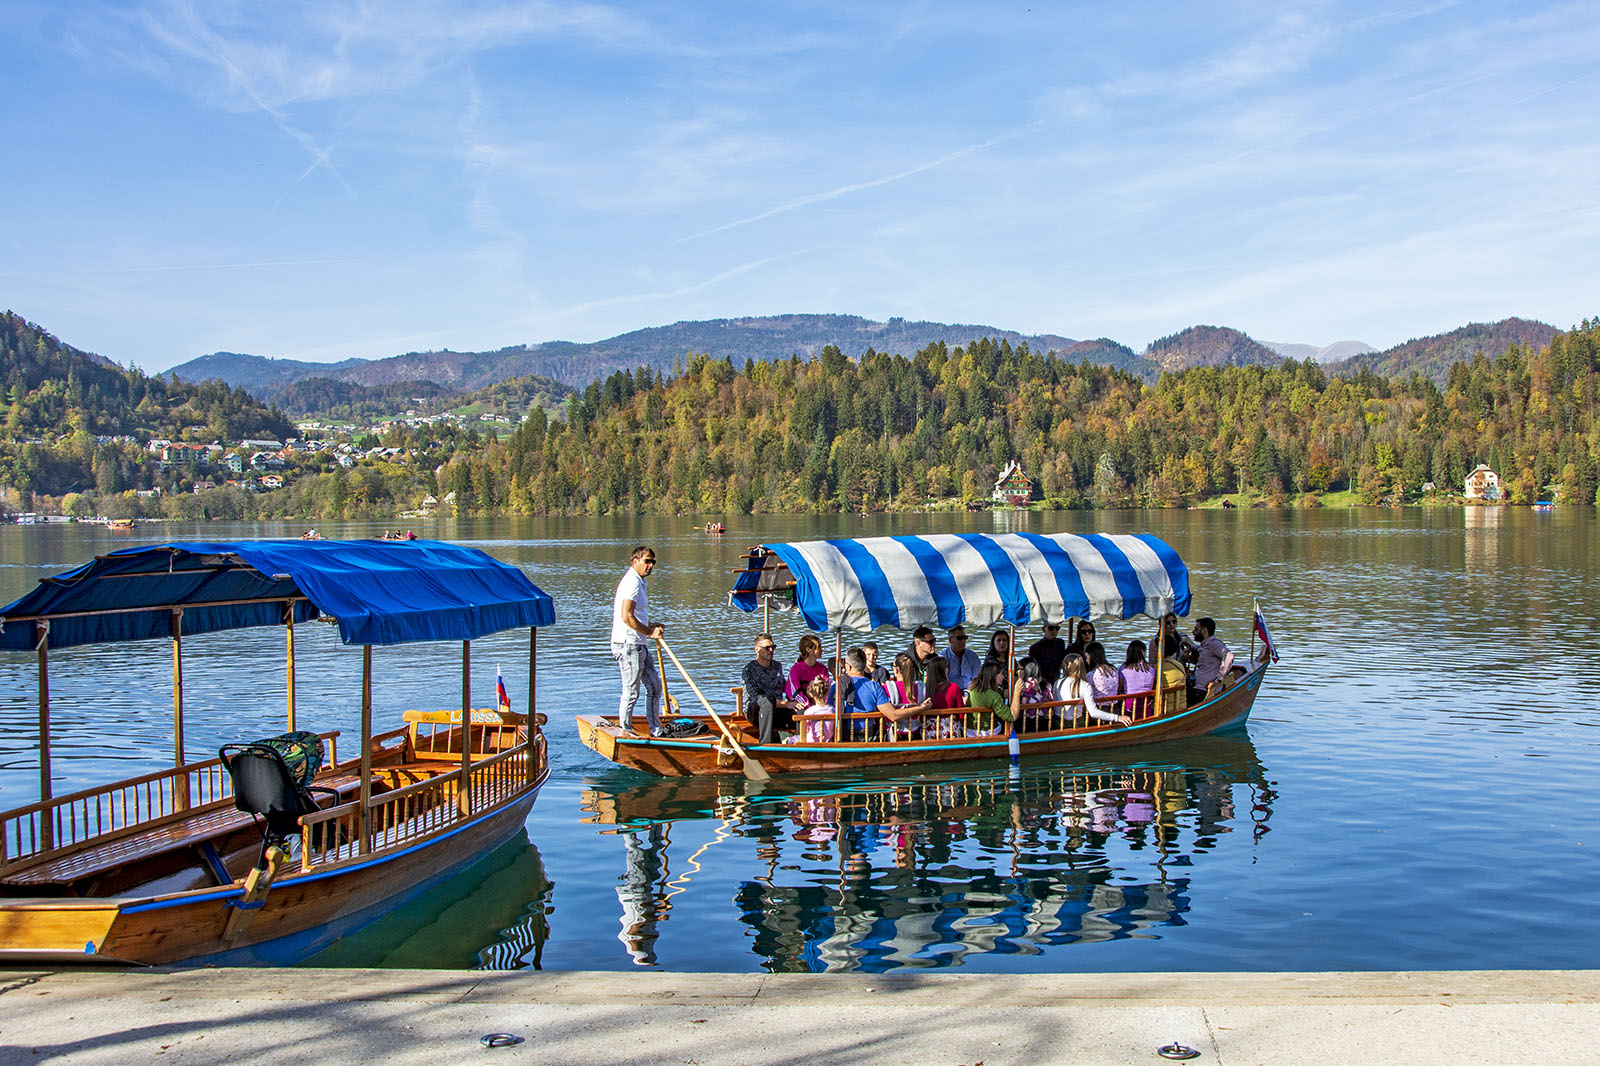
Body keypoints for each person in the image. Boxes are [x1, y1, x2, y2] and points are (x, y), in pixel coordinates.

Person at [611, 545, 665, 736]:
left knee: (655, 686)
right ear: (635, 561)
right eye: (646, 561)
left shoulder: (640, 582)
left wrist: (650, 625)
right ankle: (624, 730)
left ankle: (656, 729)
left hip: (638, 643)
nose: (650, 565)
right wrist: (650, 632)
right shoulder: (632, 582)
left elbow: (636, 616)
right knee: (632, 691)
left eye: (653, 562)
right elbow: (627, 616)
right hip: (628, 644)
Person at [829, 647, 927, 740]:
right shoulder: (874, 686)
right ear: (864, 665)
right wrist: (920, 708)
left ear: (848, 666)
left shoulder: (836, 686)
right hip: (869, 736)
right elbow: (892, 714)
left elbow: (828, 711)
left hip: (843, 734)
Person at [742, 633, 799, 744]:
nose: (771, 650)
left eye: (773, 647)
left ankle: (805, 741)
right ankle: (765, 743)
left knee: (800, 709)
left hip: (777, 710)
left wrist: (796, 700)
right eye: (767, 648)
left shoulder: (777, 666)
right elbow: (757, 696)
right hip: (756, 711)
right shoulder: (749, 669)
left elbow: (784, 686)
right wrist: (786, 704)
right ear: (757, 649)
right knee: (767, 700)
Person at [1059, 653, 1131, 727]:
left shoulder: (1057, 683)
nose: (1087, 661)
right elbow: (1093, 712)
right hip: (1078, 723)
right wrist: (1117, 717)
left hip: (1058, 722)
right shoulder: (1085, 685)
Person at [1187, 617, 1233, 704]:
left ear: (1204, 630)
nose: (1193, 632)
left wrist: (1219, 679)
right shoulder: (1204, 645)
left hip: (1203, 692)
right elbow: (1201, 649)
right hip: (1196, 688)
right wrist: (1191, 648)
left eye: (1196, 629)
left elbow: (1229, 656)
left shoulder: (1213, 644)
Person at [964, 661, 1015, 736]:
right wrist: (1017, 693)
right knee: (1006, 723)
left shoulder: (974, 688)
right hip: (985, 730)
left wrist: (1016, 687)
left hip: (968, 728)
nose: (1003, 677)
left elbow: (1004, 692)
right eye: (1001, 674)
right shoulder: (993, 696)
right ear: (994, 676)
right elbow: (1011, 717)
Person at [922, 655, 964, 737]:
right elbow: (961, 714)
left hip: (929, 731)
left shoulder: (925, 689)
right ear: (944, 670)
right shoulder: (954, 687)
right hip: (950, 730)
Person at [790, 675, 835, 743]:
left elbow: (806, 730)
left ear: (811, 694)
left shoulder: (809, 711)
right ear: (827, 692)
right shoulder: (832, 709)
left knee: (788, 740)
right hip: (827, 741)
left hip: (811, 742)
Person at [787, 634, 831, 701]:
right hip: (802, 706)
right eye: (819, 647)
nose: (822, 649)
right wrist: (808, 706)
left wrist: (821, 705)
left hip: (820, 705)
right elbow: (794, 692)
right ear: (808, 649)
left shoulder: (823, 669)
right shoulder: (796, 669)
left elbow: (827, 692)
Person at [1119, 639, 1156, 716]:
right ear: (1143, 652)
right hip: (1146, 704)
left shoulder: (1123, 668)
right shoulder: (1151, 669)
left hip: (1129, 705)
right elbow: (1152, 686)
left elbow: (1120, 688)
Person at [1027, 621, 1068, 691]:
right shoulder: (1035, 648)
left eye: (1057, 628)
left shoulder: (1060, 643)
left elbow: (1063, 663)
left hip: (1056, 680)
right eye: (1051, 628)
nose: (1054, 631)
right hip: (1041, 682)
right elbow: (1032, 670)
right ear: (1043, 629)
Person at [942, 626, 982, 691]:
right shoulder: (943, 657)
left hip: (971, 691)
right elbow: (943, 682)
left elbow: (977, 679)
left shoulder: (973, 656)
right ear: (950, 640)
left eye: (965, 638)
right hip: (950, 692)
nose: (963, 641)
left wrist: (967, 693)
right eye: (959, 638)